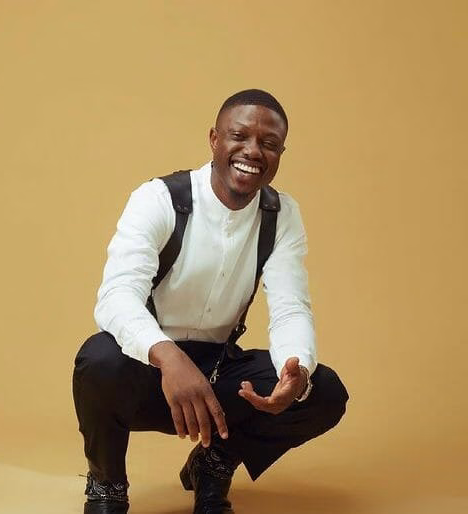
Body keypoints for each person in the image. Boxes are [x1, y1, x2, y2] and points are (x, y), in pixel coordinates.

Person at [72, 89, 349, 514]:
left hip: (219, 374)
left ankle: (213, 464)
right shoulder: (160, 198)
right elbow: (116, 296)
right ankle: (106, 486)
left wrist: (295, 368)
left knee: (321, 390)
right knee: (98, 360)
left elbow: (291, 306)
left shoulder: (281, 215)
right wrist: (167, 356)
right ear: (214, 139)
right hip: (145, 371)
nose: (253, 151)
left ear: (280, 153)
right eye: (239, 136)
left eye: (269, 143)